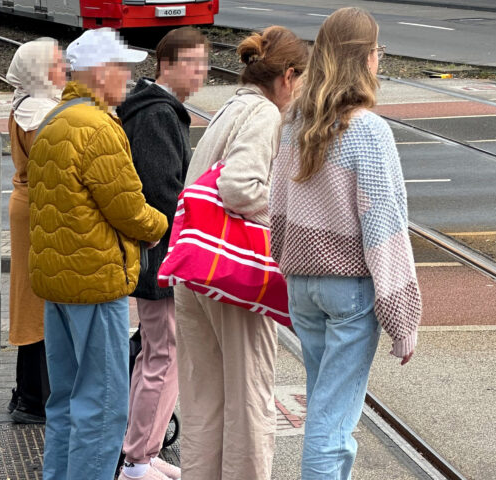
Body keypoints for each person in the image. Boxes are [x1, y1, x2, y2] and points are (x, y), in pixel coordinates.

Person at [270, 7, 422, 480]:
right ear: (364, 59)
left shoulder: (295, 121)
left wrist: (290, 262)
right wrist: (403, 317)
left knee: (324, 402)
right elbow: (384, 228)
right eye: (378, 51)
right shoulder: (370, 132)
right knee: (334, 422)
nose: (380, 60)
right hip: (349, 290)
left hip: (302, 284)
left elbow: (277, 209)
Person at [27, 28, 168, 480]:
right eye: (122, 69)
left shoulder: (56, 118)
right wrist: (161, 225)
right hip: (94, 280)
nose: (129, 78)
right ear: (99, 73)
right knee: (105, 405)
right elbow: (128, 207)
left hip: (58, 282)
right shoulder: (99, 127)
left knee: (66, 401)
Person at [175, 26, 309, 480]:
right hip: (232, 278)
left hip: (195, 270)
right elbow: (239, 186)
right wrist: (286, 215)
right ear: (289, 76)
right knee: (250, 398)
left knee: (203, 400)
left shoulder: (230, 107)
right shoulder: (266, 116)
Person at [118, 27, 209, 480]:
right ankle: (138, 459)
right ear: (166, 64)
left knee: (154, 352)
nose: (202, 71)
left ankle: (141, 451)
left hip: (157, 255)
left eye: (204, 62)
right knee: (164, 355)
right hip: (162, 258)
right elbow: (162, 192)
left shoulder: (154, 109)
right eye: (193, 62)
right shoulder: (157, 115)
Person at [6, 38, 67, 425]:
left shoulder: (22, 105)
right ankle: (35, 397)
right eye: (57, 65)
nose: (64, 70)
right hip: (40, 211)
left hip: (25, 206)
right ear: (40, 72)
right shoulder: (42, 115)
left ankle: (28, 393)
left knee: (29, 299)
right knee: (40, 302)